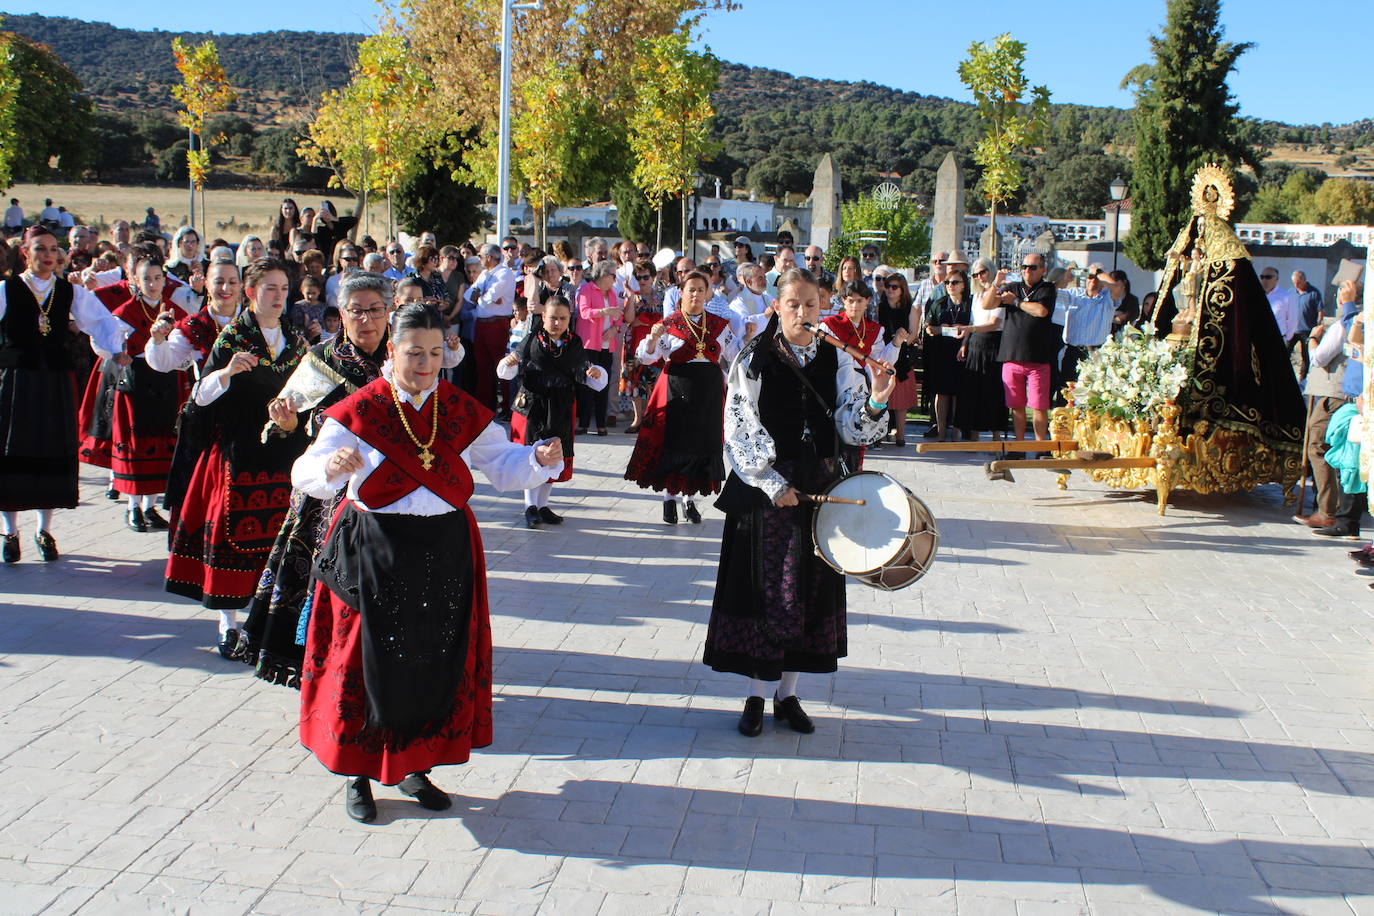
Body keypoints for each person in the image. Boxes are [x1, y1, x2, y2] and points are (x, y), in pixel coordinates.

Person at [292, 304, 564, 822]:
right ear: (391, 351)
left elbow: (501, 464)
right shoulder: (361, 410)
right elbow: (305, 469)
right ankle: (358, 773)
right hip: (374, 548)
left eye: (435, 353)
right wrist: (330, 465)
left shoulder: (458, 407)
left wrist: (536, 460)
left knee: (430, 659)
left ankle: (416, 767)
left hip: (444, 549)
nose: (425, 364)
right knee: (366, 664)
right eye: (414, 352)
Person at [234, 273, 459, 685]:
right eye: (356, 311)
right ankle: (317, 664)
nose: (367, 319)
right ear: (341, 314)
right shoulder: (321, 360)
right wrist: (284, 421)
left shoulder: (404, 359)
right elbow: (285, 415)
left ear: (389, 311)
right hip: (329, 493)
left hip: (393, 493)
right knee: (321, 581)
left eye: (375, 309)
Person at [705, 267, 891, 737]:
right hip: (769, 488)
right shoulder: (754, 357)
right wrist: (771, 482)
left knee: (807, 590)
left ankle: (787, 696)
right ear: (776, 305)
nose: (804, 313)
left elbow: (851, 424)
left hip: (819, 487)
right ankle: (753, 695)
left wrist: (875, 402)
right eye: (794, 304)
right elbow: (738, 426)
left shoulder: (838, 358)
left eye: (812, 305)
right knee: (766, 592)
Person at [165, 259, 312, 656]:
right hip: (238, 454)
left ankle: (267, 623)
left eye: (284, 289)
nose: (279, 297)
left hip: (283, 454)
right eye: (270, 289)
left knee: (277, 543)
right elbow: (199, 397)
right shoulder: (232, 338)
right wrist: (226, 373)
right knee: (233, 540)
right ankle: (227, 624)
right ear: (251, 293)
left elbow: (310, 394)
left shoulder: (296, 342)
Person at [0, 228, 132, 563]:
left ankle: (44, 531)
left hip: (54, 382)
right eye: (40, 249)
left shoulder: (69, 293)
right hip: (16, 383)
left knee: (50, 449)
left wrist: (116, 349)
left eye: (52, 249)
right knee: (13, 450)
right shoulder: (7, 290)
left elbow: (102, 322)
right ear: (24, 254)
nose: (47, 255)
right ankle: (10, 532)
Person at [77, 247, 191, 530]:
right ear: (137, 282)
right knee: (137, 445)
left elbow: (187, 346)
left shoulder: (174, 311)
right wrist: (116, 354)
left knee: (160, 441)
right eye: (147, 279)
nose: (152, 284)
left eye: (157, 278)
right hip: (135, 384)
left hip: (165, 383)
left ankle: (150, 507)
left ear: (164, 280)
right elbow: (100, 341)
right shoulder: (125, 312)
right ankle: (132, 508)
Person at [625, 270, 740, 524]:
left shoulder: (718, 325)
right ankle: (669, 499)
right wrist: (653, 340)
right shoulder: (670, 323)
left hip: (707, 393)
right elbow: (647, 357)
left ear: (708, 293)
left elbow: (735, 354)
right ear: (681, 293)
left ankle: (689, 499)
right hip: (676, 389)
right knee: (675, 444)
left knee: (700, 445)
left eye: (701, 289)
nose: (696, 294)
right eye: (691, 289)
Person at [498, 294, 608, 527]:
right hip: (533, 405)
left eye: (562, 318)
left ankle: (542, 505)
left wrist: (594, 373)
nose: (557, 323)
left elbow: (584, 370)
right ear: (543, 317)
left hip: (561, 405)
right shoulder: (531, 340)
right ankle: (529, 506)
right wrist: (508, 364)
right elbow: (511, 364)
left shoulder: (574, 343)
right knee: (532, 456)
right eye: (552, 318)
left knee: (554, 455)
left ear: (569, 319)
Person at [1294, 281, 1358, 530]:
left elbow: (1320, 357)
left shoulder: (1343, 324)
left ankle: (1327, 509)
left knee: (1318, 447)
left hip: (1334, 394)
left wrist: (1312, 339)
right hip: (1342, 393)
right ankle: (1336, 509)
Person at [996, 253, 1057, 443]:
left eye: (1032, 267)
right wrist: (996, 284)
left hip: (1038, 358)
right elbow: (988, 304)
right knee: (1017, 405)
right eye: (1024, 267)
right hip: (1012, 355)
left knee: (1039, 406)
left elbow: (1041, 311)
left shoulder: (1047, 288)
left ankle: (1040, 446)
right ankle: (1019, 446)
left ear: (1042, 270)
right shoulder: (1013, 287)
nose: (1026, 271)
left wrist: (1016, 302)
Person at [956, 258, 1009, 440]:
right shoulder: (976, 296)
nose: (979, 277)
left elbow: (994, 323)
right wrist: (964, 343)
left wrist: (970, 330)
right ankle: (974, 434)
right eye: (975, 274)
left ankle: (996, 435)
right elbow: (973, 321)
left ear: (991, 271)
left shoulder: (1000, 293)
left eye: (983, 272)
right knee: (973, 389)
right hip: (975, 343)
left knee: (993, 389)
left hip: (994, 344)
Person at [573, 260, 624, 436]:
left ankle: (601, 425)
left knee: (603, 384)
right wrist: (604, 312)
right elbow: (584, 312)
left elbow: (618, 316)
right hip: (589, 344)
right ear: (603, 275)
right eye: (613, 275)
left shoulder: (612, 293)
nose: (615, 279)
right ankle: (584, 424)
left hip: (606, 345)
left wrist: (614, 328)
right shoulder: (586, 289)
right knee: (587, 384)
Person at [922, 267, 973, 441]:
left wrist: (962, 333)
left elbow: (974, 328)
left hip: (963, 352)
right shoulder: (939, 303)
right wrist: (945, 329)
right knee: (941, 393)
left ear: (964, 285)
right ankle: (941, 431)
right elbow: (929, 328)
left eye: (955, 282)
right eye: (947, 282)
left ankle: (957, 432)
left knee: (958, 393)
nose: (950, 285)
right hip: (942, 352)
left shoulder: (970, 304)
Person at [466, 244, 517, 413]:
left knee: (501, 366)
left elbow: (487, 298)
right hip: (481, 324)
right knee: (483, 367)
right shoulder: (485, 274)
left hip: (497, 324)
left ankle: (506, 406)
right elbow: (469, 295)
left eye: (481, 256)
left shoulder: (504, 273)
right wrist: (483, 296)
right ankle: (484, 405)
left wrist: (483, 296)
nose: (479, 260)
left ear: (489, 257)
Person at [877, 273, 920, 447]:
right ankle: (879, 435)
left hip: (902, 356)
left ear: (902, 289)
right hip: (881, 353)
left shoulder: (911, 307)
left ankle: (901, 435)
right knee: (880, 398)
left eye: (894, 287)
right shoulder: (880, 307)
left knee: (901, 400)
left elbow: (913, 333)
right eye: (888, 286)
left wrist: (898, 344)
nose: (890, 290)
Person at [623, 259, 662, 433]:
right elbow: (630, 319)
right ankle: (637, 419)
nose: (642, 280)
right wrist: (631, 297)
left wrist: (644, 321)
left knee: (654, 382)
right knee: (635, 382)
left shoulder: (662, 296)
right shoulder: (632, 296)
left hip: (656, 346)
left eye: (646, 276)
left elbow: (663, 320)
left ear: (653, 277)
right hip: (635, 346)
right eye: (638, 277)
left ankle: (651, 417)